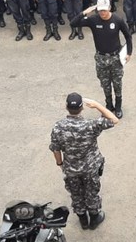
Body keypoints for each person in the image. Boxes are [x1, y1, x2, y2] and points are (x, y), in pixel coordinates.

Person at [49, 92, 119, 230]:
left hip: (71, 168)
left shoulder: (58, 127)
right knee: (91, 192)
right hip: (90, 168)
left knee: (76, 193)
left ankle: (83, 220)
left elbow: (55, 149)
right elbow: (114, 120)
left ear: (66, 107)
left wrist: (60, 164)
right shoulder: (90, 125)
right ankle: (94, 219)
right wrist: (97, 105)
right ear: (82, 108)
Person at [70, 0, 132, 119]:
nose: (102, 13)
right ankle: (109, 106)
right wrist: (85, 12)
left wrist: (129, 52)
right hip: (101, 58)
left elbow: (128, 36)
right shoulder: (93, 20)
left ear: (109, 8)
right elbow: (73, 23)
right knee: (105, 83)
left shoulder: (117, 20)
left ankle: (118, 107)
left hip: (115, 57)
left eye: (104, 10)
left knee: (117, 83)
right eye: (100, 10)